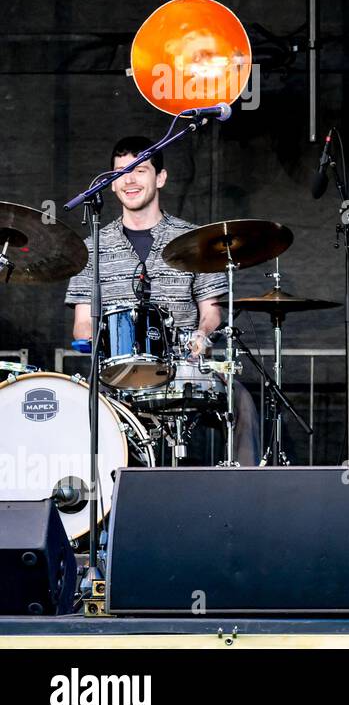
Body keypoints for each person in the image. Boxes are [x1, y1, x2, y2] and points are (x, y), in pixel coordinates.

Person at [65, 136, 261, 467]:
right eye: (120, 173)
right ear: (111, 185)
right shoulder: (91, 248)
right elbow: (82, 323)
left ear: (161, 178)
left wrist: (201, 335)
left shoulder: (195, 240)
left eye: (139, 170)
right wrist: (97, 341)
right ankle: (99, 508)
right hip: (118, 374)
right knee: (78, 410)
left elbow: (211, 313)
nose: (128, 180)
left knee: (240, 402)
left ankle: (249, 497)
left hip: (185, 367)